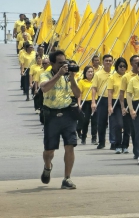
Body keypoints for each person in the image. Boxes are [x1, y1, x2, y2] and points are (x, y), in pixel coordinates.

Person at [40, 50, 81, 189]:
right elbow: (45, 88)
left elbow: (77, 93)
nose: (64, 65)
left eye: (65, 62)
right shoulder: (45, 74)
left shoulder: (67, 75)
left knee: (70, 146)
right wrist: (59, 74)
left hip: (67, 114)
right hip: (51, 115)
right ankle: (47, 166)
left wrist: (72, 77)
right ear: (52, 63)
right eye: (60, 63)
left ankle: (67, 178)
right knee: (49, 151)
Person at [119, 55, 139, 157]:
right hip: (129, 104)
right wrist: (123, 107)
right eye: (136, 62)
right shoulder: (126, 77)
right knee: (130, 128)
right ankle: (131, 148)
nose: (138, 64)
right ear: (131, 64)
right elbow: (122, 93)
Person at [91, 54, 113, 149]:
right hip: (102, 99)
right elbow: (94, 88)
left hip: (113, 99)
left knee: (114, 122)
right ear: (103, 62)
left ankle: (114, 142)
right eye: (106, 60)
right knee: (101, 122)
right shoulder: (98, 74)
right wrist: (93, 102)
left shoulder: (115, 73)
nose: (108, 62)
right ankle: (101, 142)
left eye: (110, 60)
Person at [108, 58, 128, 154]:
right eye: (120, 66)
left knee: (127, 125)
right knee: (118, 124)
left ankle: (125, 145)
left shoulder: (129, 77)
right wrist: (110, 106)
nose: (122, 68)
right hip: (116, 102)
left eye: (124, 66)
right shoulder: (112, 77)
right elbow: (110, 92)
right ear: (117, 67)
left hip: (127, 102)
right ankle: (118, 145)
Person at [77, 66, 96, 145]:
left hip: (94, 102)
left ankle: (94, 138)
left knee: (95, 121)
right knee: (85, 121)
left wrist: (94, 102)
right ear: (85, 73)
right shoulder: (81, 82)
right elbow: (79, 94)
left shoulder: (95, 81)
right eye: (89, 72)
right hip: (85, 103)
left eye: (92, 72)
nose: (90, 73)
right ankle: (83, 137)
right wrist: (79, 104)